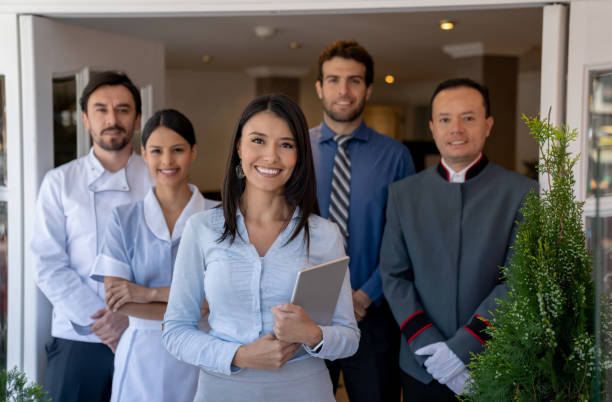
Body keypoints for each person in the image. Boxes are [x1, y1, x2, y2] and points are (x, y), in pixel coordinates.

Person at [162, 94, 360, 402]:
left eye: (286, 144)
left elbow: (349, 337)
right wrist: (239, 355)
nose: (271, 156)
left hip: (305, 391)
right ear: (239, 147)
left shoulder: (325, 235)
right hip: (221, 391)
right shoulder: (201, 228)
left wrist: (312, 334)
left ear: (299, 156)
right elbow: (175, 332)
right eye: (258, 140)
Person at [380, 78, 538, 401]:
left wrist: (465, 347)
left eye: (468, 118)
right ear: (432, 128)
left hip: (493, 362)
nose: (456, 129)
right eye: (445, 119)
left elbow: (517, 281)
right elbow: (394, 277)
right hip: (421, 365)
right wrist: (430, 346)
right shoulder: (403, 194)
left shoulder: (522, 193)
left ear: (488, 125)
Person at [31, 71, 152, 401]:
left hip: (145, 334)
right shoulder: (60, 182)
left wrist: (128, 316)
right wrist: (102, 320)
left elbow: (173, 263)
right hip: (77, 337)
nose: (112, 119)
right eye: (101, 109)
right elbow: (47, 263)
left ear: (138, 118)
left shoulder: (158, 180)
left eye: (123, 109)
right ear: (85, 119)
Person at [309, 40, 414, 402]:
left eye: (354, 80)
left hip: (373, 315)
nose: (344, 90)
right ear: (319, 87)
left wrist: (365, 295)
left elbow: (402, 239)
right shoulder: (294, 150)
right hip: (308, 313)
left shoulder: (396, 156)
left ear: (368, 88)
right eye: (333, 79)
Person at [89, 109, 217, 402]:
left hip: (203, 351)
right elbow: (117, 301)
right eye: (157, 151)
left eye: (178, 150)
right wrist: (191, 304)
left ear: (193, 152)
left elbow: (215, 301)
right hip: (141, 357)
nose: (167, 161)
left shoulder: (219, 218)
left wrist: (146, 293)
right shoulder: (124, 219)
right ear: (143, 154)